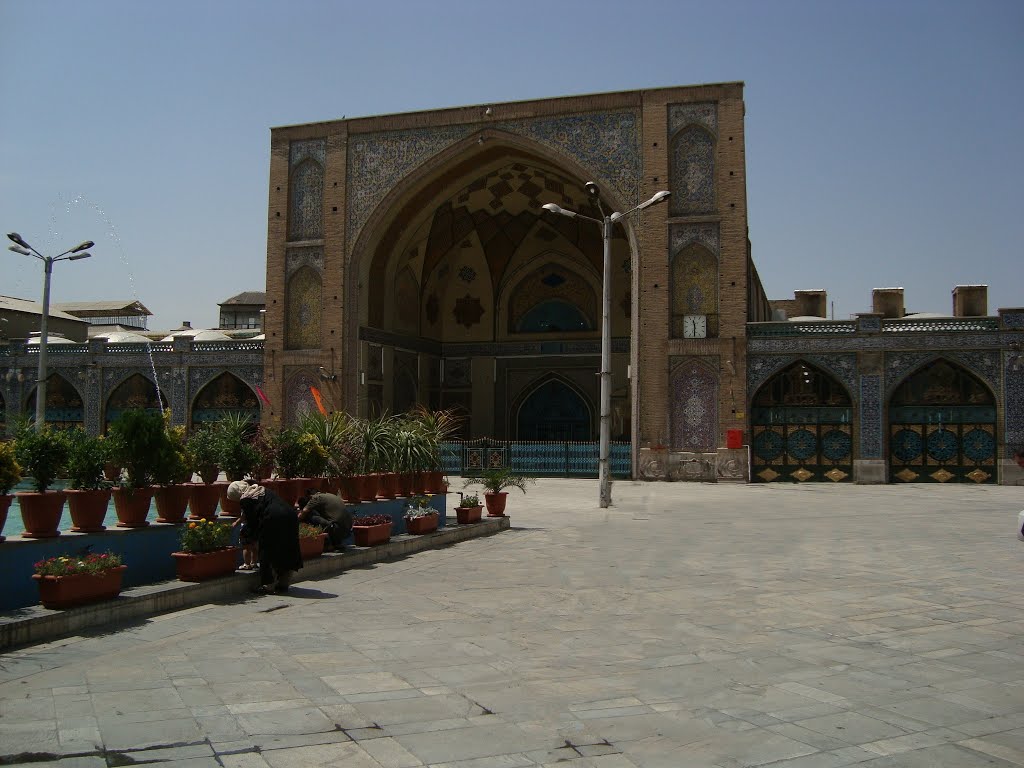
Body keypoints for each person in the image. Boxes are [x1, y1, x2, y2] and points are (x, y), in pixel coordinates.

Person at [226, 480, 302, 594]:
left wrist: (248, 539)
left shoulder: (246, 498)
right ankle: (283, 583)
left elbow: (252, 522)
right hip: (290, 516)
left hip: (274, 519)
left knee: (266, 551)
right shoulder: (261, 490)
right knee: (288, 548)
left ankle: (268, 585)